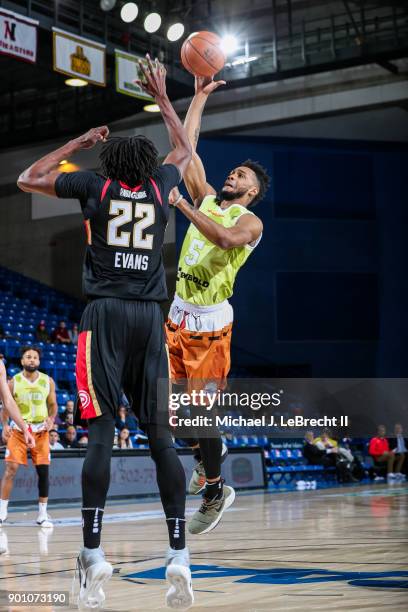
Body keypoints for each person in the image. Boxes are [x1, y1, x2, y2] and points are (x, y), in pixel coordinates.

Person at [17, 56, 193, 611]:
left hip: (105, 316)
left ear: (111, 160)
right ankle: (179, 553)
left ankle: (93, 552)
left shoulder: (95, 185)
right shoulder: (165, 183)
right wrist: (165, 99)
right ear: (149, 165)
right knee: (161, 438)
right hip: (151, 319)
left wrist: (77, 141)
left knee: (99, 435)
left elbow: (29, 179)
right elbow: (185, 150)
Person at [165, 75, 270, 536]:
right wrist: (199, 96)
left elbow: (225, 239)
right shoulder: (208, 197)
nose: (233, 175)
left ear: (251, 192)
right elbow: (186, 147)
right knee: (167, 417)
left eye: (241, 177)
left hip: (210, 328)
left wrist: (184, 208)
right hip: (176, 316)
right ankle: (209, 457)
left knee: (201, 418)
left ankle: (215, 489)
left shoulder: (250, 221)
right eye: (233, 172)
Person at [0, 346, 57, 527]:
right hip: (18, 430)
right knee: (10, 469)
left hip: (41, 431)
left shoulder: (48, 381)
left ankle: (42, 514)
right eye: (28, 357)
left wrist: (51, 418)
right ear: (22, 361)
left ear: (39, 362)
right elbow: (6, 406)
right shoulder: (13, 382)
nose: (32, 360)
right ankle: (2, 512)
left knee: (43, 472)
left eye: (35, 357)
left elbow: (53, 405)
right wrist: (4, 426)